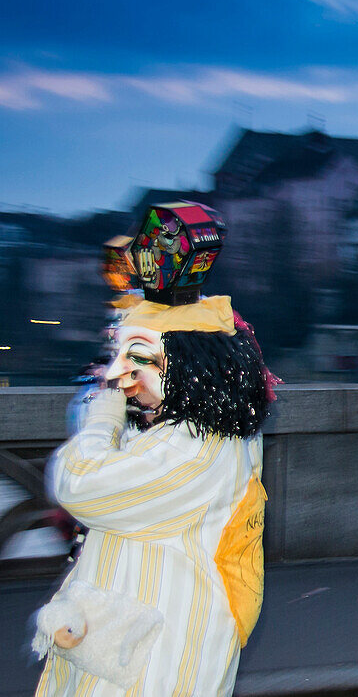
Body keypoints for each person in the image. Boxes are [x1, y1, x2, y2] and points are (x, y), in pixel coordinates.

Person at [34, 202, 274, 696]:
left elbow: (78, 482)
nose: (118, 372)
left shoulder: (197, 448)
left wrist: (103, 410)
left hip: (159, 657)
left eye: (137, 357)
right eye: (119, 353)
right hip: (130, 642)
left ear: (190, 366)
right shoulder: (183, 426)